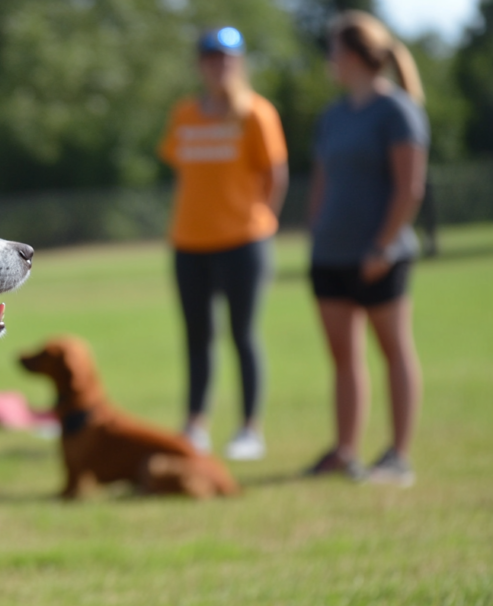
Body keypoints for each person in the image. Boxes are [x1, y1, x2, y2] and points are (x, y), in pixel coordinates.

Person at [303, 11, 428, 487]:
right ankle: (345, 450)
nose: (329, 60)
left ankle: (398, 454)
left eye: (334, 50)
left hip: (380, 255)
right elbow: (322, 180)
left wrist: (382, 245)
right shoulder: (333, 114)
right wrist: (316, 231)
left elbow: (408, 188)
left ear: (354, 54)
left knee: (393, 350)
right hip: (330, 254)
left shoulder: (397, 110)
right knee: (343, 356)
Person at [157, 27, 289, 461]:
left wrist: (261, 221)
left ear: (240, 62)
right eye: (211, 58)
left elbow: (275, 176)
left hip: (244, 242)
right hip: (189, 242)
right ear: (201, 65)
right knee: (197, 336)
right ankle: (195, 424)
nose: (219, 66)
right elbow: (181, 167)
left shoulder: (256, 114)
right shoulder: (185, 114)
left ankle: (250, 429)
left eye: (227, 58)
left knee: (243, 334)